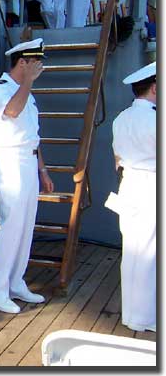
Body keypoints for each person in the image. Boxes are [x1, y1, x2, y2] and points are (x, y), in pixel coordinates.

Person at [0, 38, 54, 314]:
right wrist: (28, 82)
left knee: (25, 226)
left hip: (28, 161)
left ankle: (15, 282)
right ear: (22, 62)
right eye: (35, 63)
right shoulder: (0, 89)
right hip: (10, 161)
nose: (39, 68)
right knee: (11, 226)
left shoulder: (26, 92)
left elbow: (32, 136)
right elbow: (12, 112)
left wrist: (43, 169)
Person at [109, 61, 156, 332]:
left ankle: (131, 314)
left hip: (129, 185)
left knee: (132, 252)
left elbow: (117, 158)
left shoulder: (121, 118)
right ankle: (145, 318)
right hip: (151, 185)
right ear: (154, 87)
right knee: (149, 253)